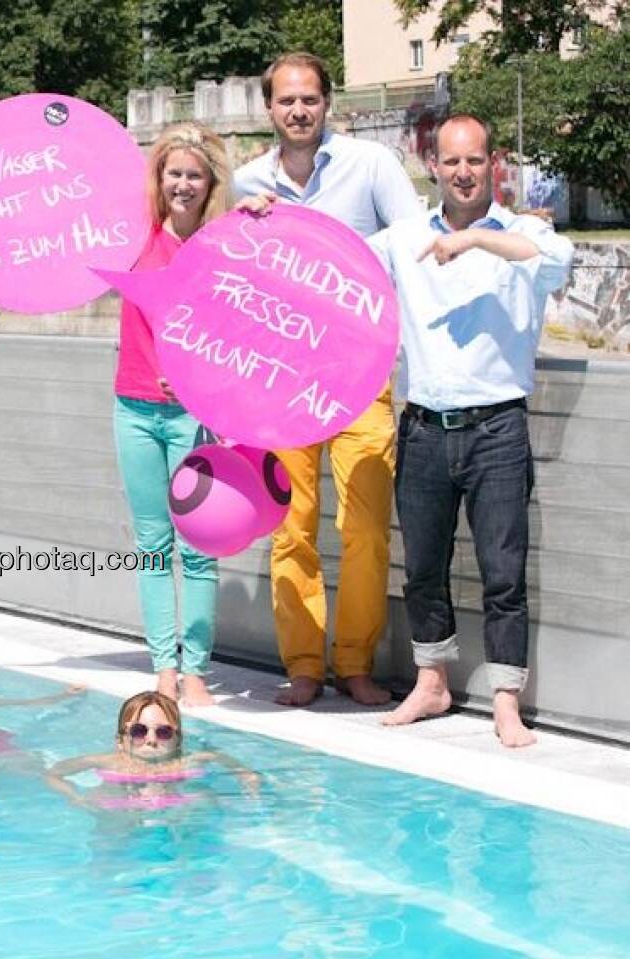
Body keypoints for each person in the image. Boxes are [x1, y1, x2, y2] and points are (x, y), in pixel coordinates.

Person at [368, 114, 572, 748]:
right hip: (425, 428)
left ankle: (506, 698)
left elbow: (548, 260)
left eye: (475, 161)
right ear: (434, 167)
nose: (463, 172)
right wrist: (263, 218)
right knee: (423, 568)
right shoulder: (402, 238)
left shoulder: (525, 232)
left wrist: (477, 242)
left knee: (503, 572)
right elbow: (334, 262)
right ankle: (432, 683)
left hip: (498, 431)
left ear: (495, 164)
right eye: (451, 162)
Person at [234, 52, 424, 707]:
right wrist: (249, 229)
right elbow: (227, 284)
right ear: (269, 109)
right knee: (291, 527)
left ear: (326, 102)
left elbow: (415, 241)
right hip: (280, 379)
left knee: (367, 528)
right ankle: (306, 664)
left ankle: (357, 662)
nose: (298, 110)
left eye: (309, 99)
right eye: (285, 101)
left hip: (361, 370)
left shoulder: (371, 166)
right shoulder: (244, 183)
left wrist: (330, 245)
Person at [113, 122, 234, 707]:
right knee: (153, 544)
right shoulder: (133, 237)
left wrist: (196, 379)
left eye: (194, 174)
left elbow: (236, 338)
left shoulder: (222, 248)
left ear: (210, 181)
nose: (183, 183)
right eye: (174, 172)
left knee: (198, 547)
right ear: (159, 179)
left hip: (193, 416)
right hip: (133, 408)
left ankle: (196, 672)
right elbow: (53, 252)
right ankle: (164, 667)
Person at [44, 691, 258, 811]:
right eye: (138, 731)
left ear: (178, 740)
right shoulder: (108, 762)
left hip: (172, 810)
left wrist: (247, 776)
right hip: (119, 811)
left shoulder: (188, 761)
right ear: (120, 740)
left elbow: (224, 760)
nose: (151, 740)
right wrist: (74, 797)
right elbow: (54, 773)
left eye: (164, 732)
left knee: (203, 801)